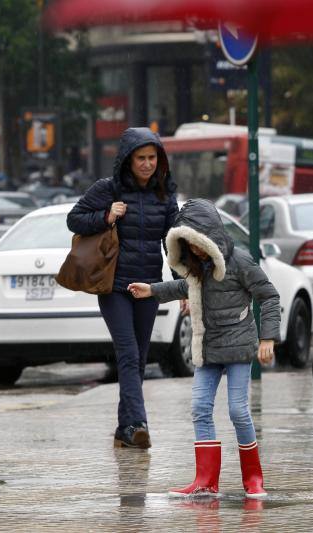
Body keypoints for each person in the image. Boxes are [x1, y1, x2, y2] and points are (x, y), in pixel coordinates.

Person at [127, 198, 280, 499]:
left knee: (238, 411)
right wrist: (152, 291)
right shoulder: (195, 267)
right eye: (188, 244)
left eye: (198, 243)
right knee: (199, 409)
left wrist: (267, 339)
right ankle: (205, 481)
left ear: (212, 236)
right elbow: (186, 288)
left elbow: (269, 296)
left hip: (238, 346)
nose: (195, 250)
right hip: (207, 348)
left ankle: (253, 479)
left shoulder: (240, 262)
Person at [67, 127, 179, 449]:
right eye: (141, 158)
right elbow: (75, 220)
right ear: (128, 160)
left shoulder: (165, 196)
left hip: (148, 287)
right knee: (128, 354)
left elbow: (173, 244)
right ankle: (139, 424)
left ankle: (124, 430)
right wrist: (105, 216)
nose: (147, 164)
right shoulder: (109, 189)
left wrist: (181, 287)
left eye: (152, 158)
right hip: (115, 286)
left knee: (139, 358)